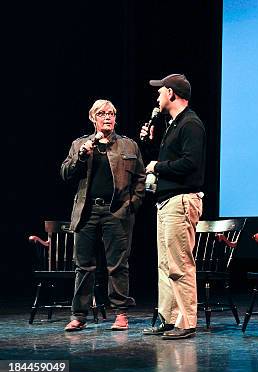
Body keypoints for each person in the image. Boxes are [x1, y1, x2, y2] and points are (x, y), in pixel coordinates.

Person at [61, 99, 145, 331]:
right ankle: (79, 315)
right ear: (93, 118)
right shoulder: (80, 144)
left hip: (116, 211)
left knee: (118, 265)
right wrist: (81, 155)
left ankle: (120, 314)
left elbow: (140, 178)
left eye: (111, 113)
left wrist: (132, 204)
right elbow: (66, 173)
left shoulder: (129, 146)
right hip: (87, 211)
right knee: (84, 266)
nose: (107, 117)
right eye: (102, 113)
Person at [141, 74, 205, 340]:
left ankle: (186, 321)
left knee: (180, 264)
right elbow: (174, 158)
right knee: (165, 265)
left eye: (160, 92)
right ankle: (168, 318)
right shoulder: (173, 125)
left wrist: (157, 166)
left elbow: (190, 164)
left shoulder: (191, 124)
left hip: (181, 201)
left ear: (171, 93)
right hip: (166, 202)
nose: (157, 97)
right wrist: (151, 142)